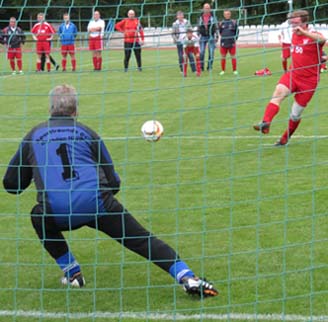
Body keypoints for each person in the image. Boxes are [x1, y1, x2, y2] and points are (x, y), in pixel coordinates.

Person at [2, 84, 218, 298]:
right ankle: (187, 277)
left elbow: (12, 185)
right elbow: (114, 183)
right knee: (140, 239)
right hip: (99, 204)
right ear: (76, 110)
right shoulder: (87, 133)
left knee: (38, 215)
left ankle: (73, 274)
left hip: (57, 212)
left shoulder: (33, 136)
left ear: (49, 109)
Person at [253, 10, 326, 146]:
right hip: (293, 75)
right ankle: (266, 122)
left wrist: (303, 33)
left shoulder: (313, 34)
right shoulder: (292, 34)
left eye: (296, 22)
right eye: (292, 22)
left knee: (295, 114)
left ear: (304, 22)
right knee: (278, 94)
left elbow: (322, 40)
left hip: (309, 81)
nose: (293, 25)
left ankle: (285, 138)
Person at [197, 3, 218, 71]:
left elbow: (216, 27)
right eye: (205, 8)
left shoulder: (213, 17)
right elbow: (198, 26)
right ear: (203, 9)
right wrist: (198, 34)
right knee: (202, 52)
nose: (207, 9)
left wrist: (217, 36)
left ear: (210, 9)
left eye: (208, 8)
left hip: (211, 36)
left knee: (211, 52)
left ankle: (209, 67)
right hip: (202, 36)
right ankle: (201, 66)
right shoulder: (200, 17)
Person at [218, 10, 239, 76]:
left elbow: (237, 31)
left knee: (233, 56)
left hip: (231, 42)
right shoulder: (221, 23)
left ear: (230, 14)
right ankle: (223, 70)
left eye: (228, 14)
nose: (227, 15)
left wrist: (235, 39)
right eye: (226, 14)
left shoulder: (233, 22)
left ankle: (234, 70)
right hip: (224, 42)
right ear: (224, 15)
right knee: (223, 57)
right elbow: (220, 32)